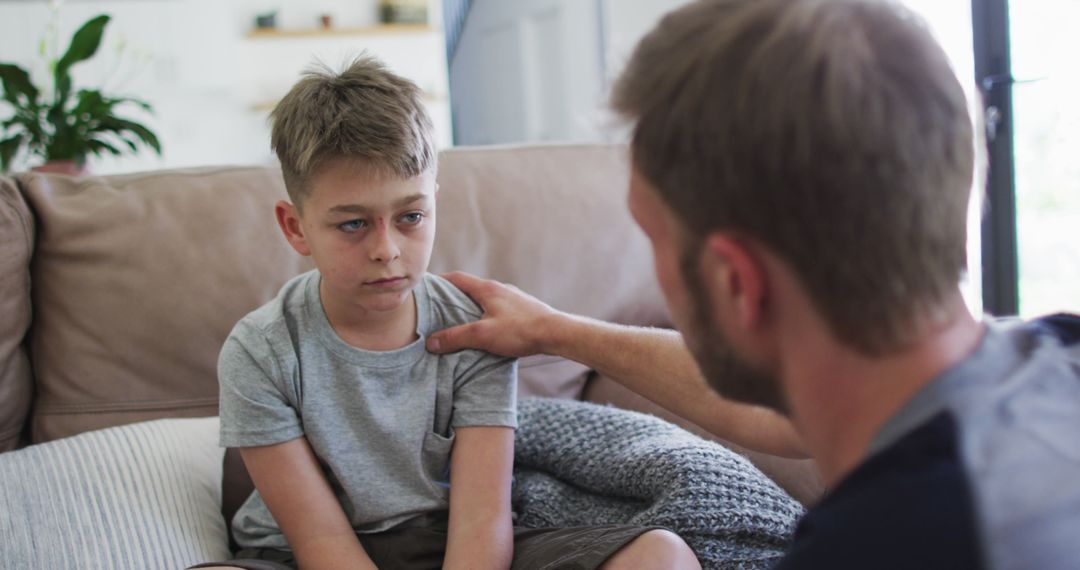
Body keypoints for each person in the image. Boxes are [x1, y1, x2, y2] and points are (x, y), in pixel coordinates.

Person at [426, 1, 1080, 569]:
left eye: (654, 240)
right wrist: (552, 331)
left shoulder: (876, 547)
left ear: (737, 282)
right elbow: (788, 405)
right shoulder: (1053, 360)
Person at [193, 57, 700, 570]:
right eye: (352, 225)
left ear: (434, 203)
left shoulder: (475, 328)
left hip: (452, 544)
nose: (387, 249)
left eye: (410, 217)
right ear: (295, 226)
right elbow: (321, 539)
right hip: (304, 555)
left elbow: (481, 521)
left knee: (664, 556)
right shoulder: (259, 349)